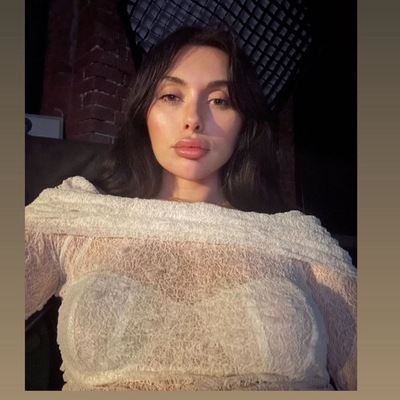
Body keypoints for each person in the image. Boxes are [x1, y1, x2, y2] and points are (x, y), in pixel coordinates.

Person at [25, 26, 357, 391]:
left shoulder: (298, 239)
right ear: (144, 111)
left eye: (219, 101)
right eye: (171, 96)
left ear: (244, 122)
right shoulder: (77, 215)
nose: (193, 119)